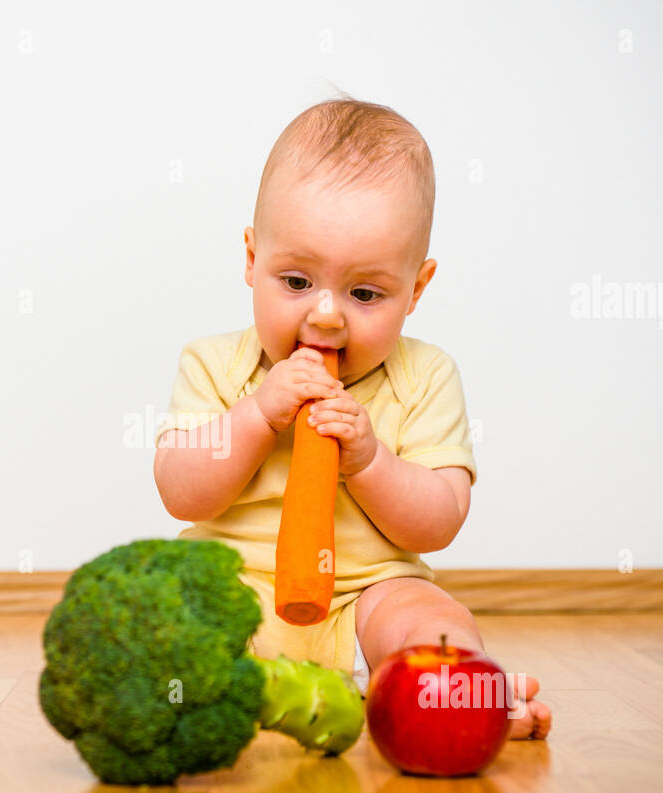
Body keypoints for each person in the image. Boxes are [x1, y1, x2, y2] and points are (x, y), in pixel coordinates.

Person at [154, 96, 552, 740]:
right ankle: (221, 694)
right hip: (234, 590)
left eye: (365, 293)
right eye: (296, 281)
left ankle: (460, 694)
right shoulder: (214, 364)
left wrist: (369, 459)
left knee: (429, 617)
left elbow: (439, 519)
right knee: (175, 621)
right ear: (252, 259)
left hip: (368, 599)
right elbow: (179, 490)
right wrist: (259, 413)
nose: (328, 315)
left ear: (415, 290)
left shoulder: (424, 376)